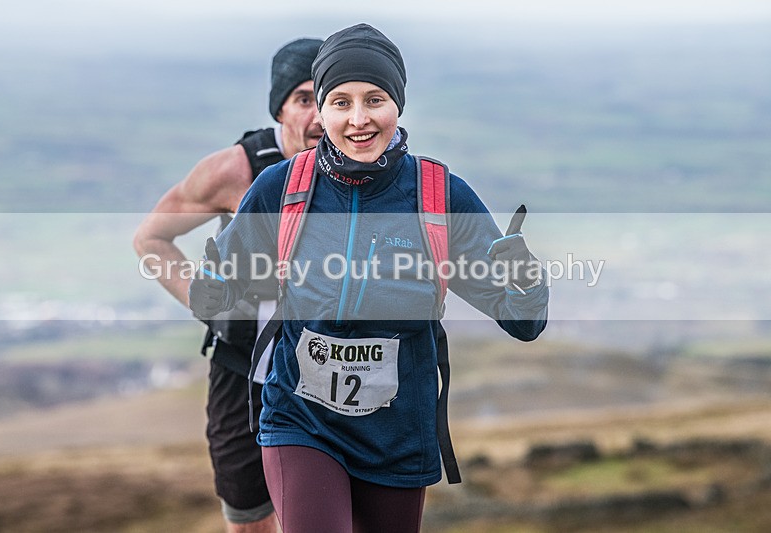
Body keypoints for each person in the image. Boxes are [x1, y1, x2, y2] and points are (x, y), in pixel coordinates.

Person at [189, 23, 549, 533]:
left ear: (397, 104)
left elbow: (524, 322)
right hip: (301, 419)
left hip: (397, 434)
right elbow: (211, 296)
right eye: (340, 102)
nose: (358, 119)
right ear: (323, 110)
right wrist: (216, 277)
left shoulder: (438, 196)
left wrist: (526, 279)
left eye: (374, 99)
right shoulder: (280, 189)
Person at [133, 37, 324, 533]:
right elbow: (152, 239)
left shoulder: (357, 168)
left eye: (328, 97)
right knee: (249, 520)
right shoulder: (235, 170)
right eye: (304, 99)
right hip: (242, 372)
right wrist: (206, 302)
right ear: (279, 109)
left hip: (325, 369)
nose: (320, 116)